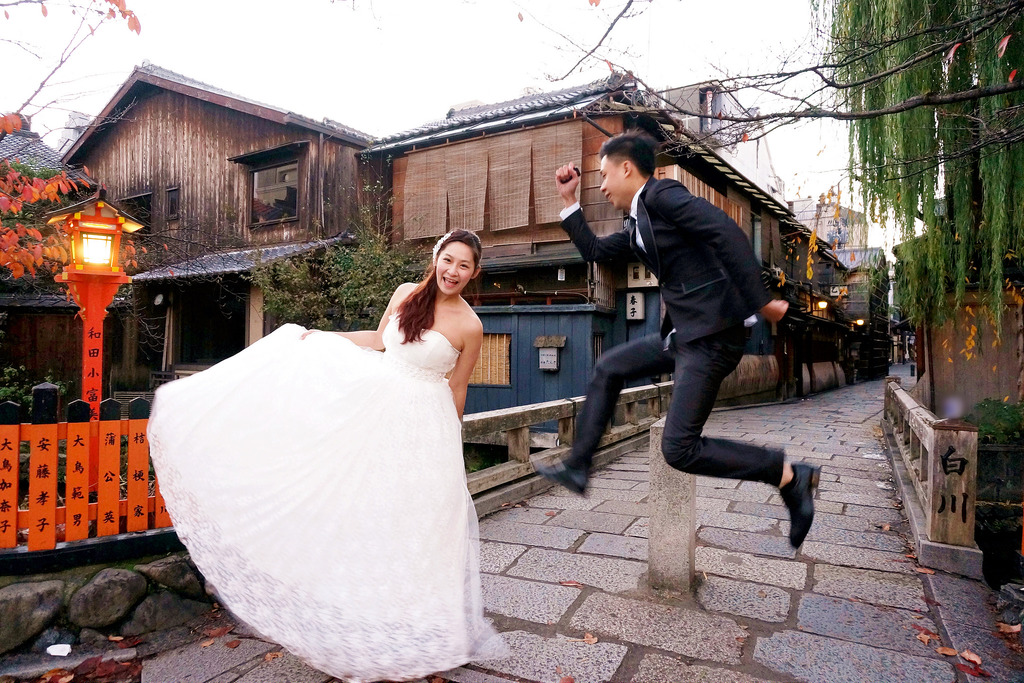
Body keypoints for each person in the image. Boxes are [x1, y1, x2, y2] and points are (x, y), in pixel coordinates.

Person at [147, 229, 503, 682]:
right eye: (448, 260)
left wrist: (450, 449)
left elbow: (458, 386)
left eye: (464, 265)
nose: (453, 271)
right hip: (374, 411)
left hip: (423, 428)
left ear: (475, 272)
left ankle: (413, 627)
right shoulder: (406, 294)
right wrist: (321, 336)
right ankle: (360, 619)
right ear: (436, 258)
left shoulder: (470, 325)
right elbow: (378, 341)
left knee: (410, 522)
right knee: (358, 511)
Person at [536, 131, 819, 548]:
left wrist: (760, 300)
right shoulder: (639, 223)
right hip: (686, 336)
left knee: (679, 448)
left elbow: (724, 229)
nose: (601, 185)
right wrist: (568, 202)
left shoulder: (662, 196)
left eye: (604, 175)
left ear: (627, 168)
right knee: (608, 368)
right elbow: (596, 250)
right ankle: (578, 466)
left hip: (712, 336)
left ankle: (790, 477)